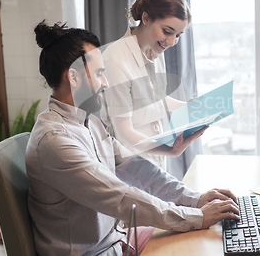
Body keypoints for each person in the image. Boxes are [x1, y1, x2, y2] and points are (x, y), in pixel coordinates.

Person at [26, 21, 239, 256]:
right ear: (74, 78)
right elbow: (120, 197)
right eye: (99, 74)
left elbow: (137, 169)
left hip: (114, 243)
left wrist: (194, 199)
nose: (105, 83)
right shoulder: (55, 141)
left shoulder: (89, 122)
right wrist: (196, 217)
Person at [101, 0, 197, 170]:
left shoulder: (155, 50)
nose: (171, 42)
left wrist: (188, 107)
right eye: (167, 31)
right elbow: (124, 132)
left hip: (154, 156)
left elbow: (155, 98)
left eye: (178, 35)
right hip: (129, 159)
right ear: (145, 18)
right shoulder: (116, 58)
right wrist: (170, 150)